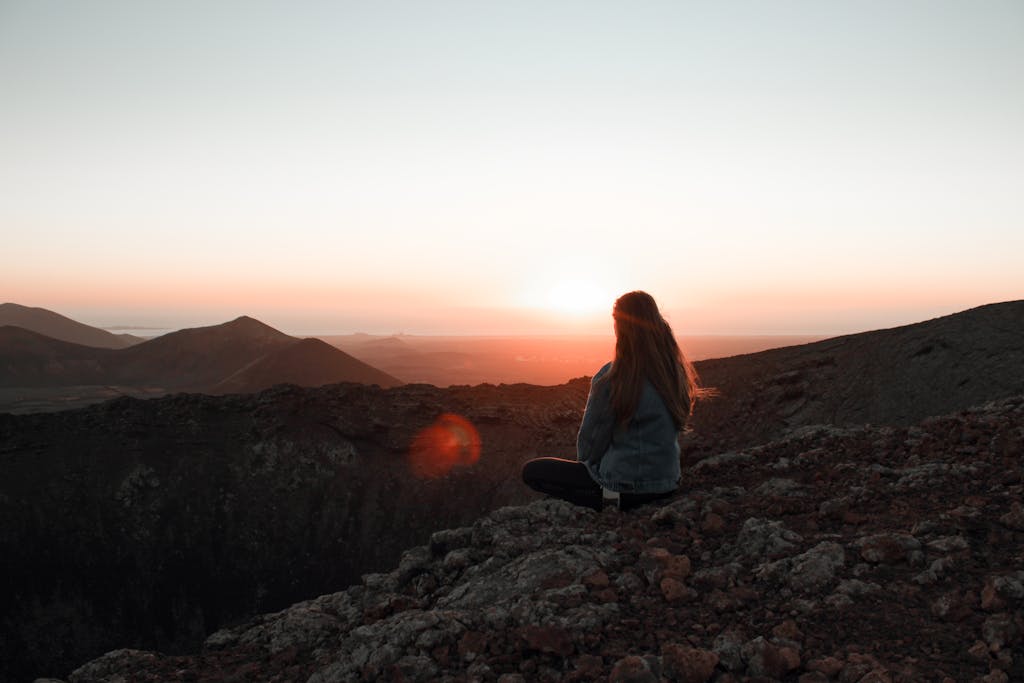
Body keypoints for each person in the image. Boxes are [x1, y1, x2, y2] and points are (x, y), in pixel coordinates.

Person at [522, 290, 700, 510]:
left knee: (532, 471)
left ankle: (602, 503)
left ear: (620, 326)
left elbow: (592, 440)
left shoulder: (613, 376)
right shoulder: (673, 372)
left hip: (621, 488)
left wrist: (587, 473)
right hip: (666, 484)